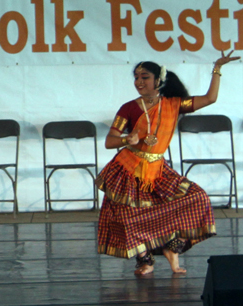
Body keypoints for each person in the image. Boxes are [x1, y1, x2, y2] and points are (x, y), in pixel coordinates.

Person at [96, 51, 240, 275]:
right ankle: (145, 260)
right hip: (129, 167)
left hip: (158, 169)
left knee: (196, 197)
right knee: (127, 215)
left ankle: (171, 248)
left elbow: (210, 98)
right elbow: (109, 141)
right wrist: (126, 139)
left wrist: (217, 68)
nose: (139, 82)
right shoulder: (128, 108)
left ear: (158, 81)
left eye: (145, 77)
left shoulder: (174, 104)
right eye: (136, 77)